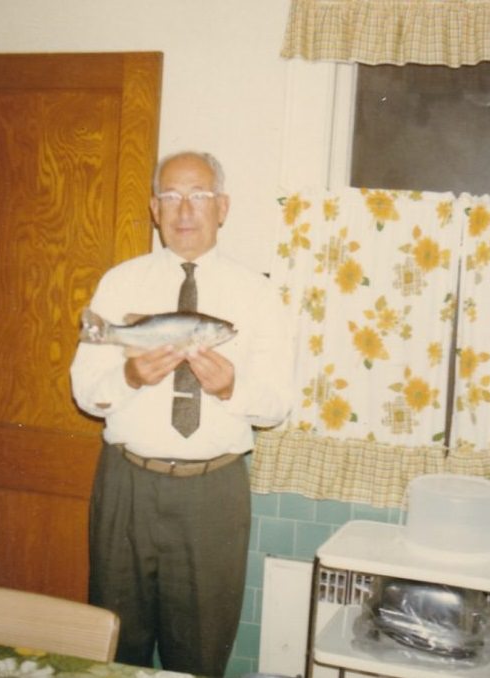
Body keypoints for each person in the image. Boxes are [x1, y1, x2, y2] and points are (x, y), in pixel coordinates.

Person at [70, 151, 294, 676]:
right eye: (170, 197)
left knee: (198, 653)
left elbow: (277, 404)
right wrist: (130, 376)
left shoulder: (258, 294)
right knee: (116, 645)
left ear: (223, 207)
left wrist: (232, 387)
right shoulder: (121, 283)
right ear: (154, 208)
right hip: (127, 485)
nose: (184, 210)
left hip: (212, 494)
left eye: (198, 196)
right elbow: (85, 392)